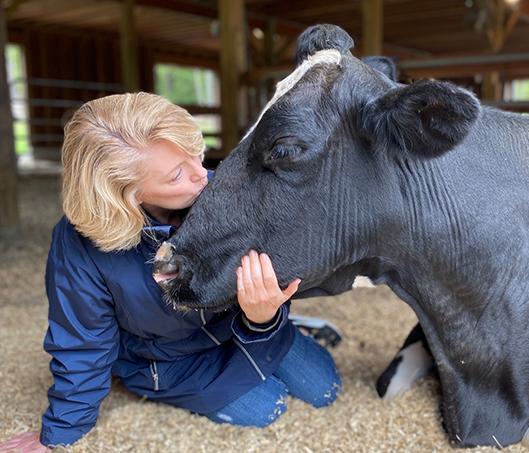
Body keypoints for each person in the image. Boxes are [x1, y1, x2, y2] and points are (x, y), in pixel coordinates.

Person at [0, 92, 341, 452]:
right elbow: (83, 342)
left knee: (325, 388)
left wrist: (264, 317)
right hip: (170, 361)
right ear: (125, 194)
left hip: (244, 329)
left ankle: (294, 332)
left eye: (197, 154)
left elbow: (275, 274)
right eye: (177, 174)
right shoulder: (78, 247)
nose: (205, 176)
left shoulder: (220, 192)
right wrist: (60, 432)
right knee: (268, 408)